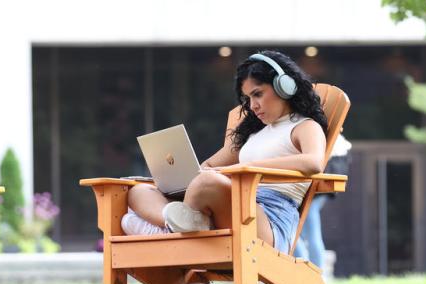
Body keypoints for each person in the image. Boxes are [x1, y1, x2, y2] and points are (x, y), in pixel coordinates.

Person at [120, 50, 328, 254]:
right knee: (139, 191)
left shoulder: (304, 126)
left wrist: (246, 168)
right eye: (247, 99)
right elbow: (208, 167)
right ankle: (173, 225)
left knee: (207, 182)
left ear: (284, 87)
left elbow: (313, 162)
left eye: (258, 94)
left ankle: (169, 232)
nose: (253, 106)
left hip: (268, 222)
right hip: (235, 208)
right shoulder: (255, 134)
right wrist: (184, 181)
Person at [293, 135, 351, 270]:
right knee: (303, 232)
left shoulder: (312, 125)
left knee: (306, 233)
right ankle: (312, 274)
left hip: (317, 180)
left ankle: (314, 275)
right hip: (319, 179)